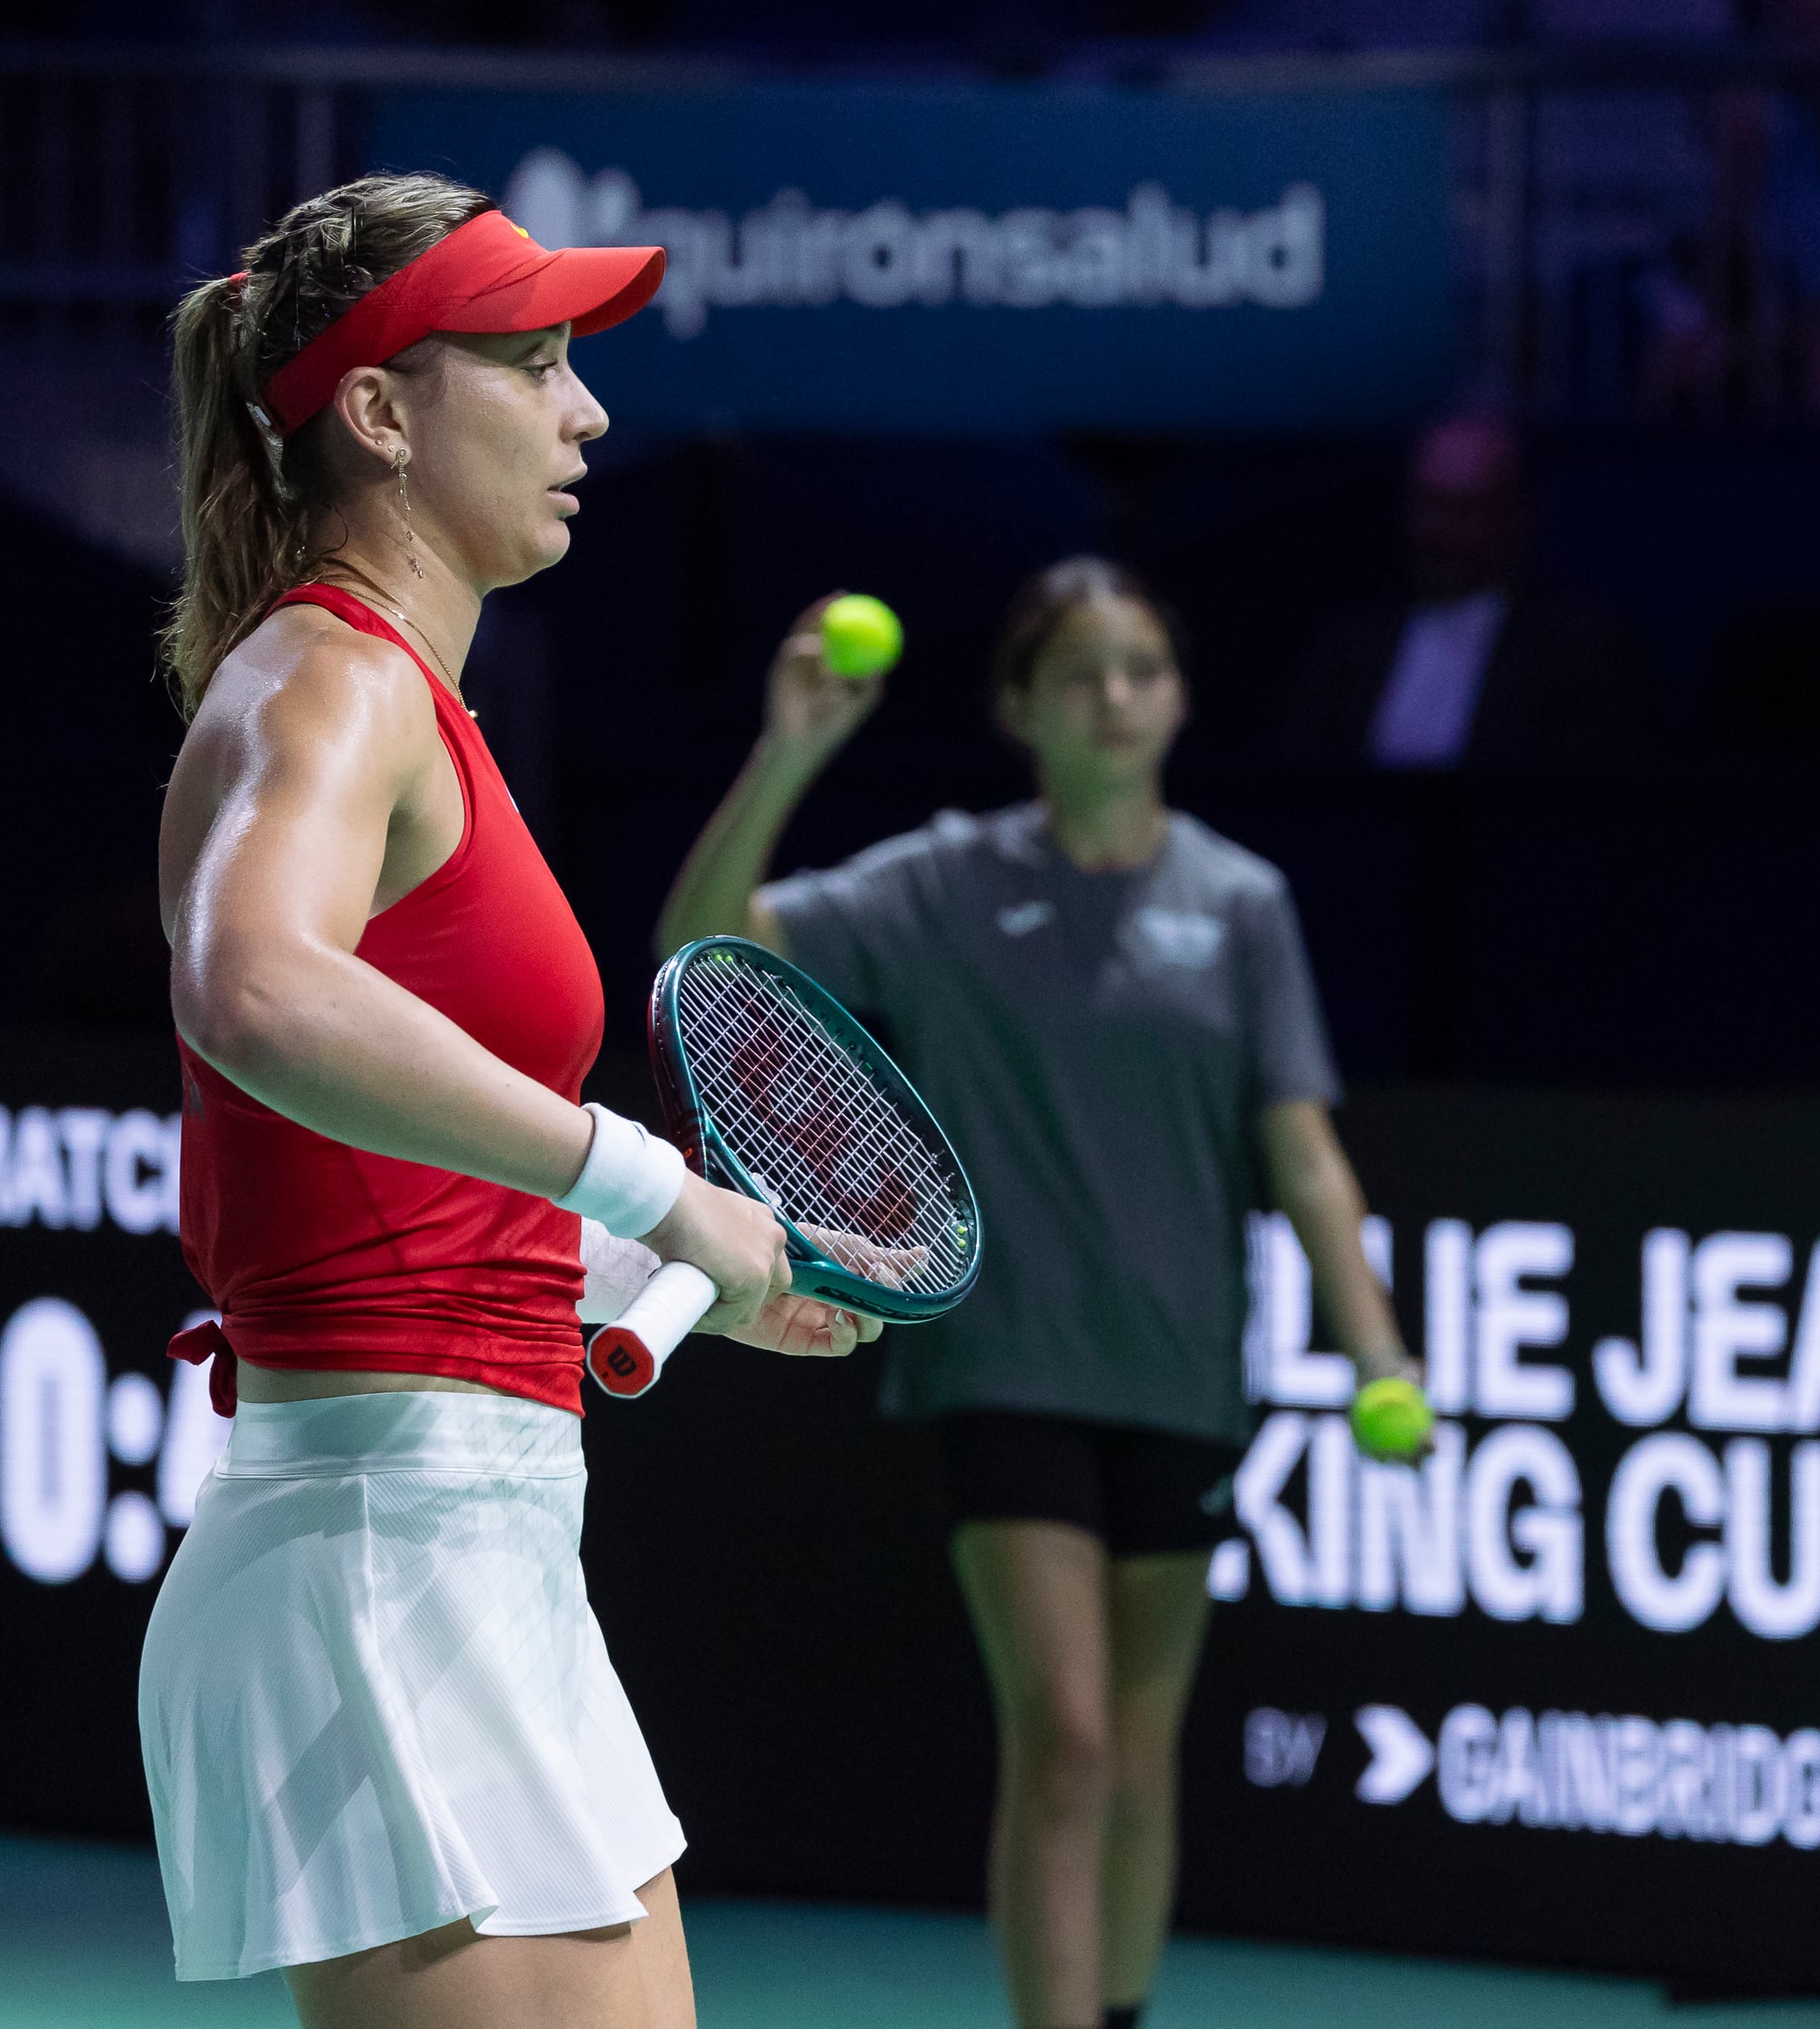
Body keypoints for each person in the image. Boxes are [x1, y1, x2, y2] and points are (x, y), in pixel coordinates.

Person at [139, 173, 874, 2029]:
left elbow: (382, 1180)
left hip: (480, 1522)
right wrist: (650, 1187)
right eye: (535, 362)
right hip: (379, 1547)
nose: (590, 411)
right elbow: (255, 984)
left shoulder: (413, 702)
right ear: (377, 412)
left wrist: (676, 1276)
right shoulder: (323, 679)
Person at [658, 558, 1417, 2029]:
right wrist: (791, 753)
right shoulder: (941, 880)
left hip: (1182, 1371)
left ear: (1180, 695)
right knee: (1065, 1736)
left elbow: (1302, 1155)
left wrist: (1376, 1345)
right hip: (1002, 1366)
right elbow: (704, 946)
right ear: (1021, 705)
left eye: (1141, 669)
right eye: (1080, 673)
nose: (1115, 697)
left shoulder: (1242, 904)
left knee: (1138, 1747)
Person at [1272, 417, 1645, 771]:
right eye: (1427, 505)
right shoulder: (1350, 647)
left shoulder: (1579, 653)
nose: (1435, 531)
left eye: (1460, 511)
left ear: (1514, 518)